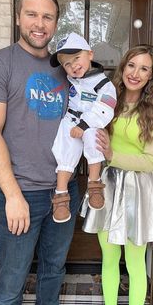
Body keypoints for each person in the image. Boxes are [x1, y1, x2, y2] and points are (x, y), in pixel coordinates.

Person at [0, 0, 80, 305]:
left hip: (64, 191)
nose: (39, 23)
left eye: (47, 16)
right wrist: (13, 195)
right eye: (31, 14)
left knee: (53, 270)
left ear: (55, 23)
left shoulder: (66, 69)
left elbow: (81, 121)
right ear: (18, 18)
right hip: (21, 192)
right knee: (12, 279)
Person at [81, 45, 153, 305]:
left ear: (152, 76)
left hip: (138, 191)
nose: (136, 73)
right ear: (123, 67)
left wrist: (112, 155)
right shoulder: (108, 100)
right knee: (108, 257)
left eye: (144, 68)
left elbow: (149, 161)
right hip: (106, 186)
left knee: (134, 263)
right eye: (132, 65)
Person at [50, 32, 117, 223]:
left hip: (92, 121)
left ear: (90, 54)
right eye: (67, 64)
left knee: (94, 139)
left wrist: (85, 124)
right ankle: (61, 195)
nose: (73, 66)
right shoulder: (69, 81)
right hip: (71, 119)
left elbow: (106, 106)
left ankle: (94, 184)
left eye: (77, 58)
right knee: (64, 148)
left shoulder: (104, 83)